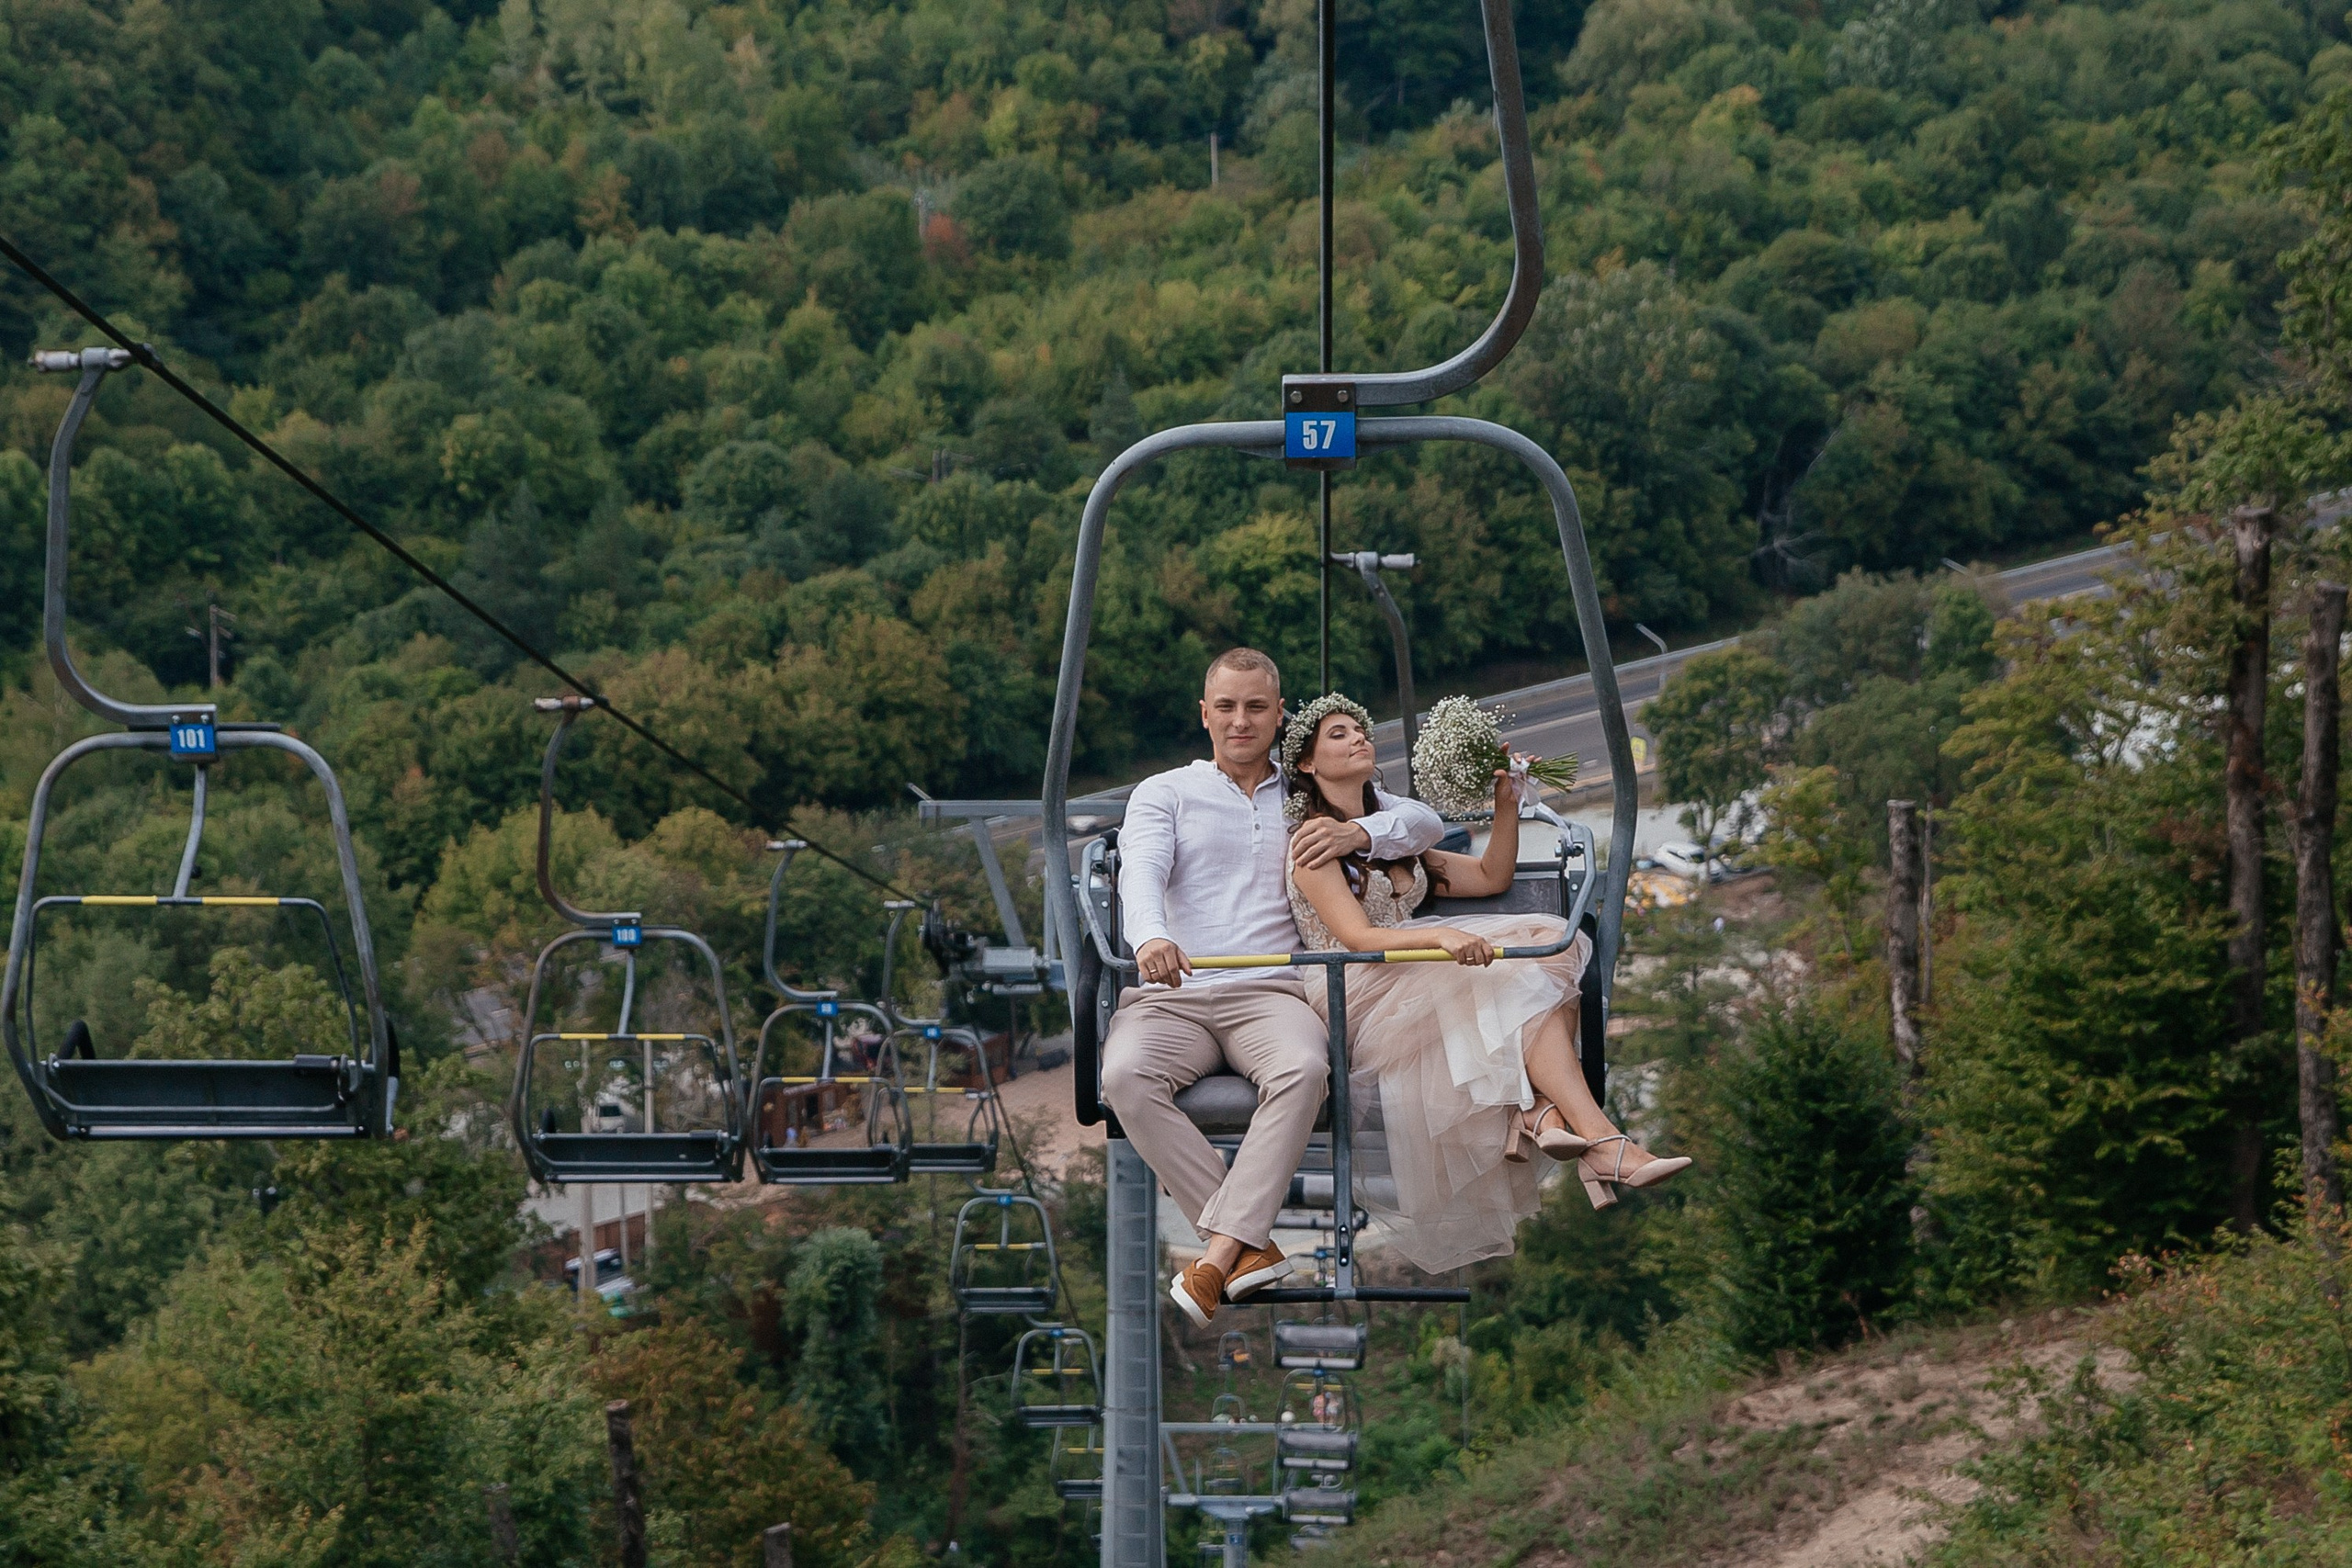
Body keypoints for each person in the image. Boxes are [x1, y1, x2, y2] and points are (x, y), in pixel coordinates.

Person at [1282, 694, 1690, 1272]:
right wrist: (1441, 941)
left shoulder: (1393, 838)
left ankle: (1554, 1120)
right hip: (1354, 988)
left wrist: (1505, 805)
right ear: (1307, 764)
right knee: (1512, 967)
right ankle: (1594, 1140)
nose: (1359, 740)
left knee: (1550, 944)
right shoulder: (1314, 846)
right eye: (1339, 735)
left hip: (1408, 972)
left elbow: (1493, 875)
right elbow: (1357, 938)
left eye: (1361, 730)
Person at [1102, 649, 1446, 1327]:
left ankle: (1220, 1250)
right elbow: (1139, 870)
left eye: (1256, 707)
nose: (1240, 720)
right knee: (1124, 1076)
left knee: (1305, 1068)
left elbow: (1426, 826)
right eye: (1226, 707)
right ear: (1204, 715)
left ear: (1278, 714)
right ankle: (1249, 1247)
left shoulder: (1307, 795)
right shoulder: (1166, 792)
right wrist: (1149, 937)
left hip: (1271, 989)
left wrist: (1358, 831)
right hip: (1177, 985)